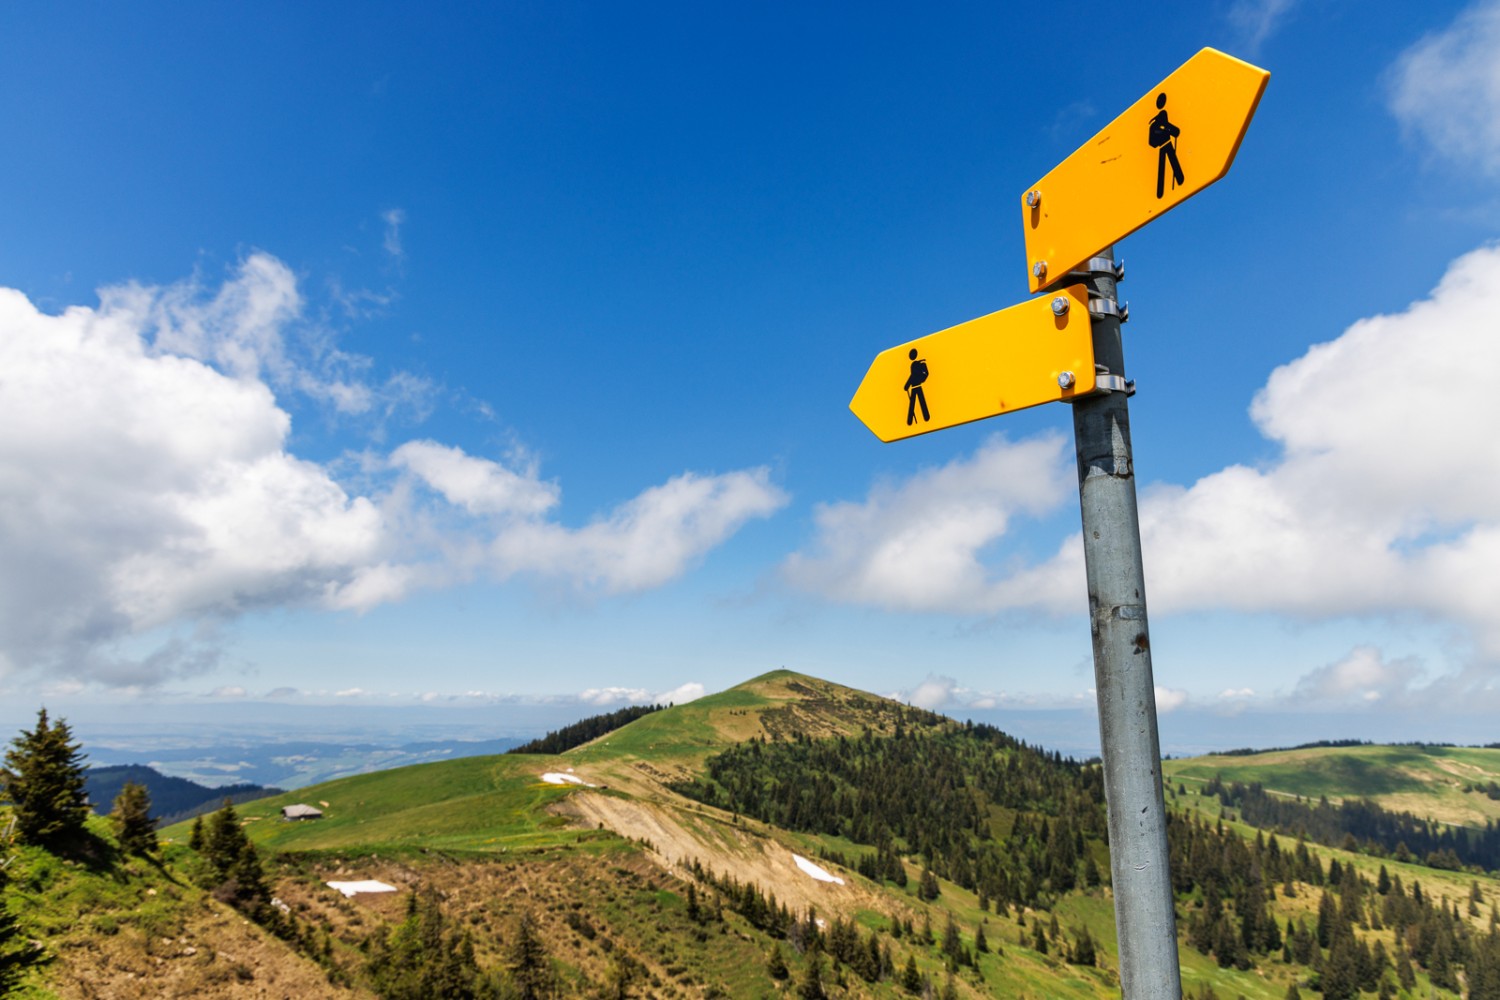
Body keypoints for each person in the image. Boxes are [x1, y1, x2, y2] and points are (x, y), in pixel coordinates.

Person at [1149, 92, 1183, 199]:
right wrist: (1172, 131)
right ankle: (1177, 180)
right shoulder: (1158, 118)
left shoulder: (1161, 116)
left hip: (1166, 143)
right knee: (1167, 163)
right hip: (1165, 144)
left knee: (1170, 162)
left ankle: (1179, 179)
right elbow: (1165, 126)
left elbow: (1166, 125)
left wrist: (1173, 130)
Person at [904, 348, 930, 425]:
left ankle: (926, 417)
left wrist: (921, 380)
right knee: (912, 403)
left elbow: (926, 373)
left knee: (921, 401)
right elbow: (912, 376)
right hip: (913, 386)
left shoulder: (920, 364)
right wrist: (907, 385)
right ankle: (910, 420)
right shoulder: (913, 365)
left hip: (918, 385)